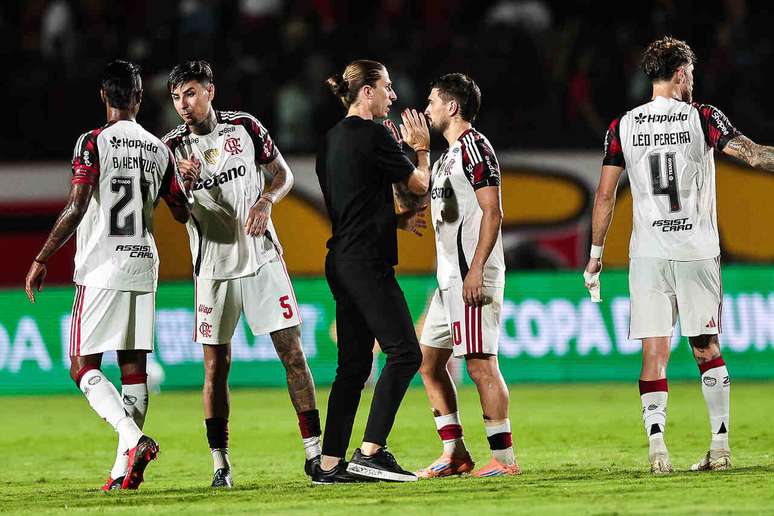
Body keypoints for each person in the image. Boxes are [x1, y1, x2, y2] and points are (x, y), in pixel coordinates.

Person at [584, 36, 774, 474]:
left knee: (654, 353)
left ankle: (657, 450)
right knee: (707, 347)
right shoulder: (702, 117)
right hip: (696, 250)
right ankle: (720, 447)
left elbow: (606, 195)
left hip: (648, 254)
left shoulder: (622, 126)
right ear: (683, 72)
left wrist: (595, 253)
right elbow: (754, 156)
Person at [24, 60, 192, 490]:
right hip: (144, 264)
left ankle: (133, 439)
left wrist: (42, 257)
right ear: (138, 98)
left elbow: (77, 206)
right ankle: (122, 472)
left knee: (81, 365)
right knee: (134, 368)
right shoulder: (160, 148)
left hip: (103, 267)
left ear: (104, 97)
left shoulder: (93, 141)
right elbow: (180, 209)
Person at [162, 60, 320, 488]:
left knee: (292, 353)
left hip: (262, 256)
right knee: (216, 367)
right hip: (212, 267)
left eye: (191, 93)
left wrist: (266, 200)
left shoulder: (245, 127)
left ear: (210, 91)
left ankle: (315, 455)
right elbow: (177, 214)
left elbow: (283, 174)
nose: (184, 105)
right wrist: (182, 186)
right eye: (176, 97)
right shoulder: (171, 149)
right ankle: (220, 463)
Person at [312, 59, 430, 483]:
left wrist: (392, 221)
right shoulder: (375, 133)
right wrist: (420, 147)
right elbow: (419, 186)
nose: (393, 96)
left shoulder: (329, 140)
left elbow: (352, 202)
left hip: (340, 258)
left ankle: (327, 465)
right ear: (367, 92)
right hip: (366, 261)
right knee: (405, 353)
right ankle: (371, 451)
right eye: (387, 87)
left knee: (354, 367)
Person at [414, 73, 519, 479]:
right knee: (428, 361)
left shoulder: (475, 148)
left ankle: (504, 461)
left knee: (479, 365)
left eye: (432, 101)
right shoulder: (446, 158)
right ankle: (454, 452)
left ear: (452, 107)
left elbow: (493, 212)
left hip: (472, 276)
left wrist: (475, 270)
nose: (427, 109)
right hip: (447, 282)